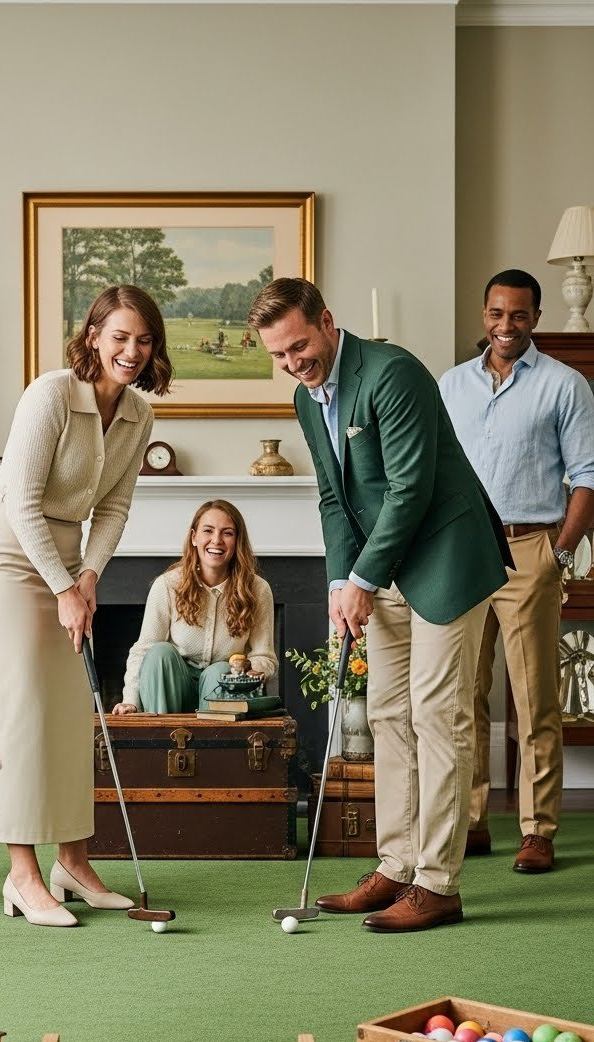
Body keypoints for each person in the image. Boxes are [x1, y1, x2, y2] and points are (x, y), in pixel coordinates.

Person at [248, 277, 512, 933]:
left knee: (437, 714)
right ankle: (396, 864)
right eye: (279, 355)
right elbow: (335, 499)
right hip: (382, 568)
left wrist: (363, 577)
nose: (293, 363)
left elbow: (411, 488)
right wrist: (343, 581)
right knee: (389, 713)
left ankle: (439, 883)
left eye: (300, 346)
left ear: (328, 321)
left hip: (446, 557)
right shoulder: (307, 401)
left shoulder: (392, 374)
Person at [0, 285, 172, 927]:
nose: (131, 352)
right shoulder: (50, 393)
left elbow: (113, 508)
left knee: (69, 711)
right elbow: (23, 500)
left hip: (65, 558)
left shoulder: (139, 414)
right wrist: (62, 586)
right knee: (23, 707)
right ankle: (22, 875)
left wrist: (87, 576)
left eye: (143, 340)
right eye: (119, 338)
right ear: (92, 337)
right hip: (8, 552)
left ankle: (73, 862)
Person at [440, 269, 594, 873]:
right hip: (463, 551)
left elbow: (587, 475)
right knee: (464, 694)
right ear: (484, 313)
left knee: (535, 698)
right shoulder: (451, 386)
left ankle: (538, 829)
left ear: (536, 316)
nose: (507, 326)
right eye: (497, 314)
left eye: (520, 315)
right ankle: (473, 819)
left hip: (532, 548)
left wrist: (559, 551)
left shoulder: (565, 385)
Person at [112, 499, 276, 714]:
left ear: (238, 541)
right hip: (173, 686)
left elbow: (264, 655)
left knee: (220, 670)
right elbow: (143, 650)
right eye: (208, 531)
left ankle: (214, 746)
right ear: (194, 538)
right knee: (159, 652)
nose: (216, 540)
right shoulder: (168, 585)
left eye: (227, 533)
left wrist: (256, 670)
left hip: (222, 684)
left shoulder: (257, 589)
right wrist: (130, 700)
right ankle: (163, 741)